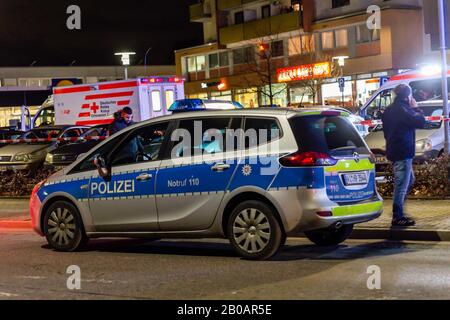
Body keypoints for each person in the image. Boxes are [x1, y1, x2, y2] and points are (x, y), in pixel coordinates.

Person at [382, 84, 426, 227]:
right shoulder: (404, 109)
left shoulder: (388, 110)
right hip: (403, 151)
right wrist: (415, 107)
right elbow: (420, 121)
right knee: (401, 185)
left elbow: (386, 132)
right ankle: (398, 216)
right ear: (407, 96)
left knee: (409, 180)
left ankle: (399, 208)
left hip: (394, 150)